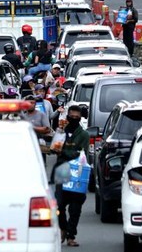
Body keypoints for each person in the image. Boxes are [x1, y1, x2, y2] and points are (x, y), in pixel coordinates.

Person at [53, 105, 90, 247]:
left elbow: (81, 153)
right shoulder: (61, 130)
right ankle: (63, 227)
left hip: (77, 172)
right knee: (59, 204)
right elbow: (54, 148)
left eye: (76, 117)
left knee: (75, 207)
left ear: (80, 118)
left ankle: (71, 236)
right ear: (67, 116)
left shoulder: (84, 134)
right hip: (62, 170)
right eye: (71, 116)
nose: (73, 118)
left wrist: (64, 152)